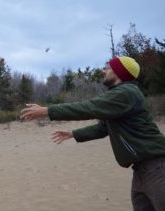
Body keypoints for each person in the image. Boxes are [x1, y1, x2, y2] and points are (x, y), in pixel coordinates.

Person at [20, 56, 165, 211]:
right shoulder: (121, 96)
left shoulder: (126, 93)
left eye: (108, 68)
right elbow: (103, 128)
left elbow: (89, 107)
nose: (104, 71)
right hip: (141, 171)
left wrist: (47, 111)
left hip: (157, 168)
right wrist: (74, 134)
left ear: (119, 72)